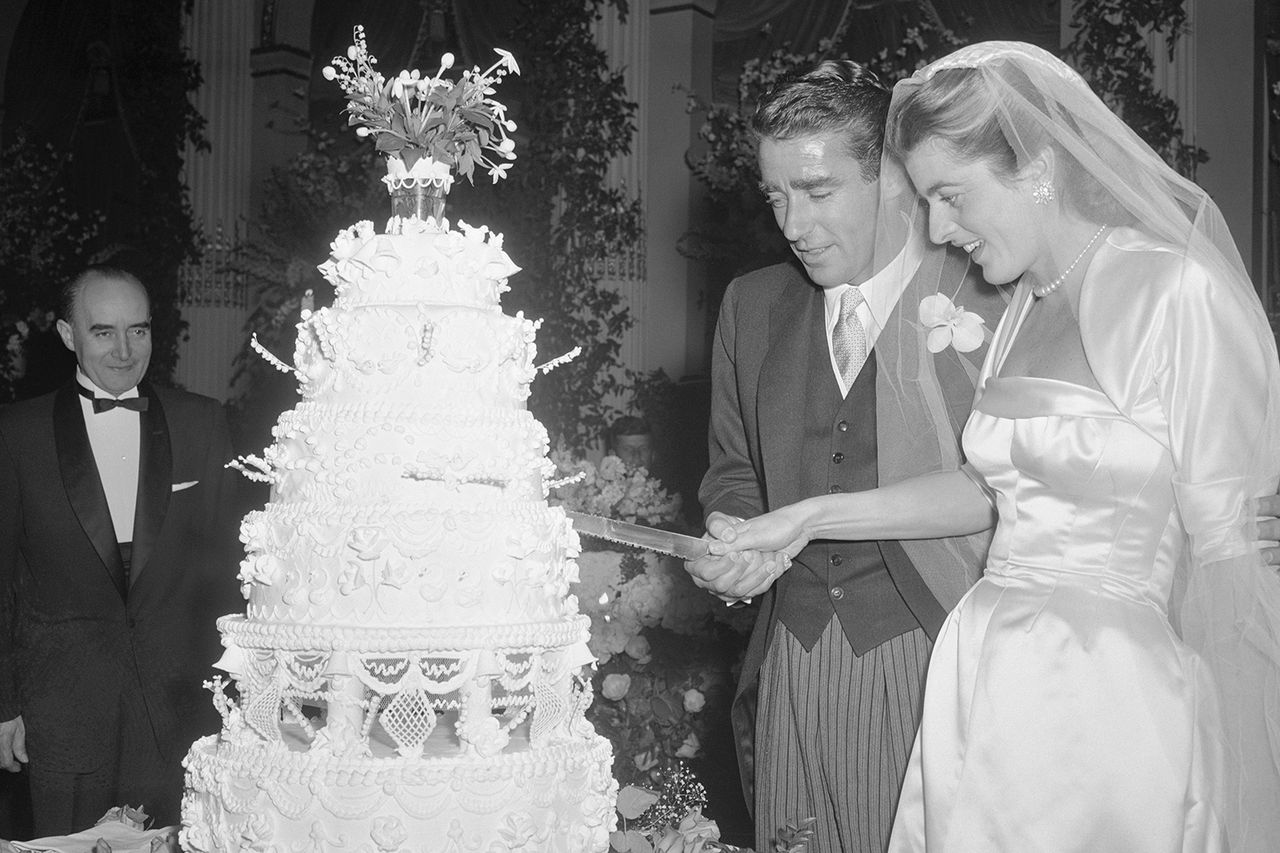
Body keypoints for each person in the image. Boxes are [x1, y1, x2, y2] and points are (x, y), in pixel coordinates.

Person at [711, 42, 1280, 852]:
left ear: (1038, 166)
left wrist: (1237, 764)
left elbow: (1231, 549)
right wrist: (806, 515)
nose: (936, 227)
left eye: (949, 195)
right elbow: (992, 489)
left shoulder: (1171, 290)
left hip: (1108, 693)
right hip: (984, 668)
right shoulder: (1023, 303)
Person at [685, 60, 1008, 851]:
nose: (791, 223)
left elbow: (1011, 487)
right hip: (790, 663)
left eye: (818, 191)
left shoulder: (985, 295)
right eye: (774, 195)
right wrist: (733, 537)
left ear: (894, 178)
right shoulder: (752, 304)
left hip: (937, 652)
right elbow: (734, 471)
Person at [0, 267, 242, 834]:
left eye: (138, 330)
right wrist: (4, 704)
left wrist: (237, 699)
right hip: (60, 711)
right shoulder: (16, 433)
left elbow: (232, 575)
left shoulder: (202, 424)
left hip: (181, 709)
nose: (124, 349)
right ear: (67, 335)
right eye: (103, 331)